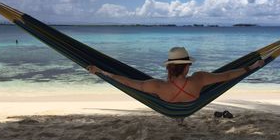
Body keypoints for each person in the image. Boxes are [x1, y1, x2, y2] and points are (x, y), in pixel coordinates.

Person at [87, 47, 264, 103]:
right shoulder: (199, 79)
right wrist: (252, 67)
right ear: (187, 67)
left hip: (168, 102)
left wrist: (102, 72)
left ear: (169, 68)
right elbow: (227, 76)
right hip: (191, 100)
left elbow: (128, 82)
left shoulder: (157, 86)